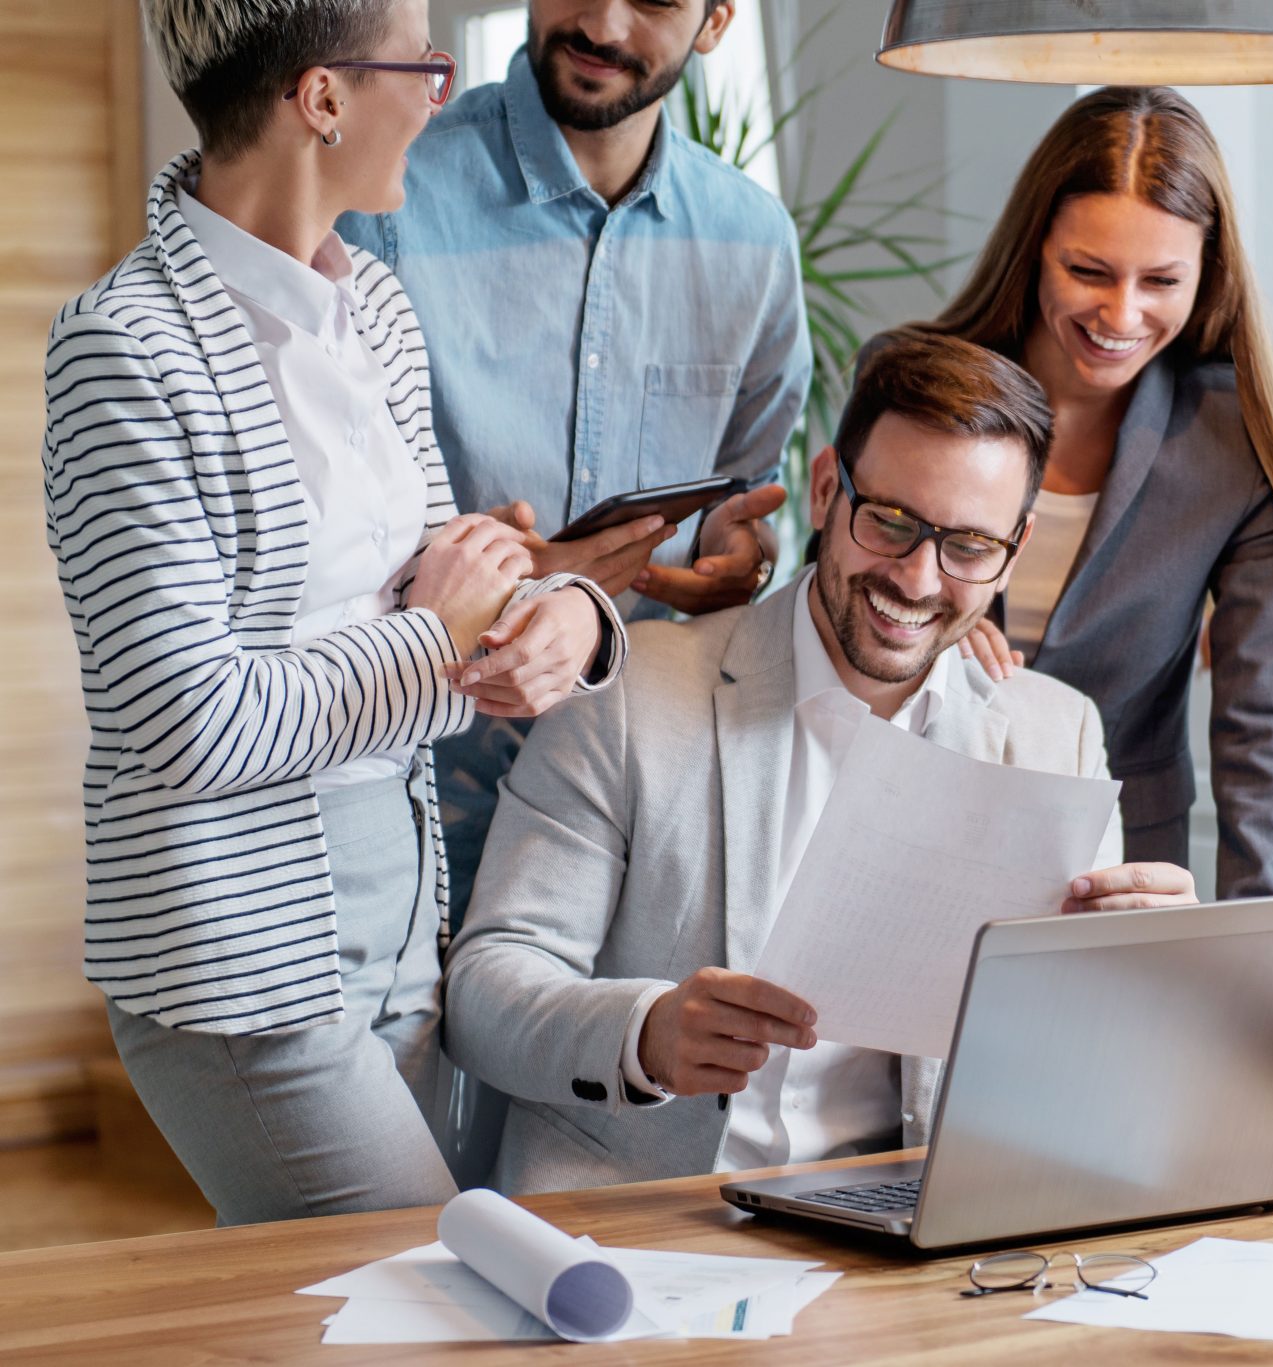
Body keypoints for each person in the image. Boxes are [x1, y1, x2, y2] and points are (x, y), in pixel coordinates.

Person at [41, 0, 626, 1225]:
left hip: (405, 910)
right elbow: (188, 723)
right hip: (235, 959)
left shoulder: (376, 312)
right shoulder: (122, 348)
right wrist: (441, 633)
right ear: (321, 99)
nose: (439, 94)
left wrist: (564, 610)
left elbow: (451, 571)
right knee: (431, 1284)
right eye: (421, 64)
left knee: (376, 1321)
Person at [441, 332, 1200, 1194]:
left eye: (968, 547)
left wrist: (1142, 973)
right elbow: (486, 991)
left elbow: (1075, 1066)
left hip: (905, 1242)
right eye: (892, 523)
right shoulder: (632, 690)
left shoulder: (1056, 735)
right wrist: (645, 1031)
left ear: (1013, 551)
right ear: (828, 489)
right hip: (639, 1223)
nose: (917, 579)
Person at [337, 0, 808, 927]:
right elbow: (322, 519)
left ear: (715, 23)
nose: (602, 20)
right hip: (416, 779)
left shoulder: (753, 243)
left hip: (637, 797)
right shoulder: (392, 192)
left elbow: (749, 499)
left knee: (590, 1067)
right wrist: (483, 574)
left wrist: (738, 559)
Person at [904, 86, 1273, 900]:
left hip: (1121, 859)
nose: (1121, 314)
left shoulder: (1235, 440)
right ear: (1035, 248)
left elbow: (1263, 727)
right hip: (912, 821)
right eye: (1088, 271)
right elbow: (837, 599)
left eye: (1161, 280)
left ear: (1208, 273)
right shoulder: (913, 389)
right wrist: (921, 633)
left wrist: (1257, 949)